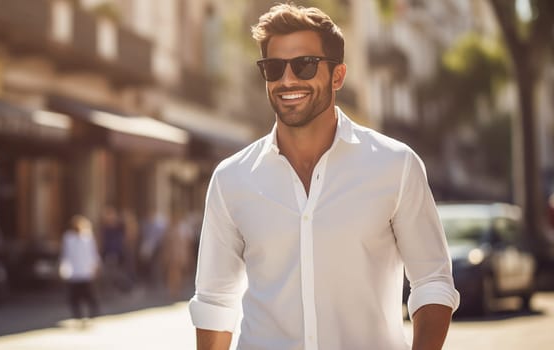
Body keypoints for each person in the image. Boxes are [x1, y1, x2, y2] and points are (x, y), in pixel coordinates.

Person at [189, 4, 460, 350]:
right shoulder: (232, 179)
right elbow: (214, 302)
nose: (287, 80)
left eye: (304, 66)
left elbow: (433, 281)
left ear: (337, 76)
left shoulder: (396, 165)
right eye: (274, 68)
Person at [59, 215, 100, 324]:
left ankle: (93, 313)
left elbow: (93, 253)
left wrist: (95, 266)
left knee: (89, 294)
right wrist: (64, 267)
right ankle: (77, 315)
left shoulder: (88, 238)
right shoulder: (68, 238)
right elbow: (66, 254)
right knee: (74, 296)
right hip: (74, 271)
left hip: (85, 271)